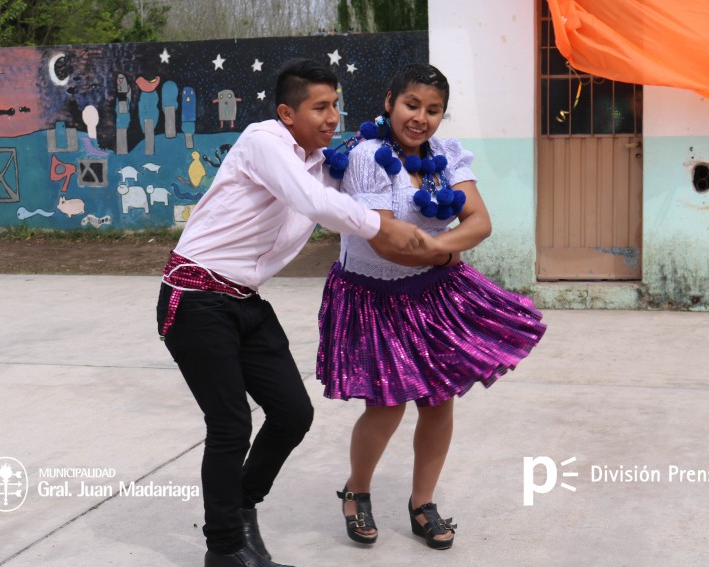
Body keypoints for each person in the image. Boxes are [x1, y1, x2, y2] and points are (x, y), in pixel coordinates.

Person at [156, 58, 422, 567]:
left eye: (336, 105)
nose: (331, 116)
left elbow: (368, 194)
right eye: (319, 107)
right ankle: (226, 549)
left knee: (292, 414)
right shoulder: (264, 142)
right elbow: (314, 203)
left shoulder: (324, 164)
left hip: (243, 299)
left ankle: (240, 507)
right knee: (230, 425)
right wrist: (380, 228)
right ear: (286, 113)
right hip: (194, 297)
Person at [316, 63, 547, 551]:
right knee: (386, 405)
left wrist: (430, 245)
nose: (421, 118)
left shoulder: (445, 155)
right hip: (373, 298)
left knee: (439, 402)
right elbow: (385, 245)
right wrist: (446, 245)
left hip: (436, 294)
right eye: (411, 105)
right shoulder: (365, 157)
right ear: (389, 101)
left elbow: (480, 222)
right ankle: (356, 492)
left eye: (433, 110)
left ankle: (422, 503)